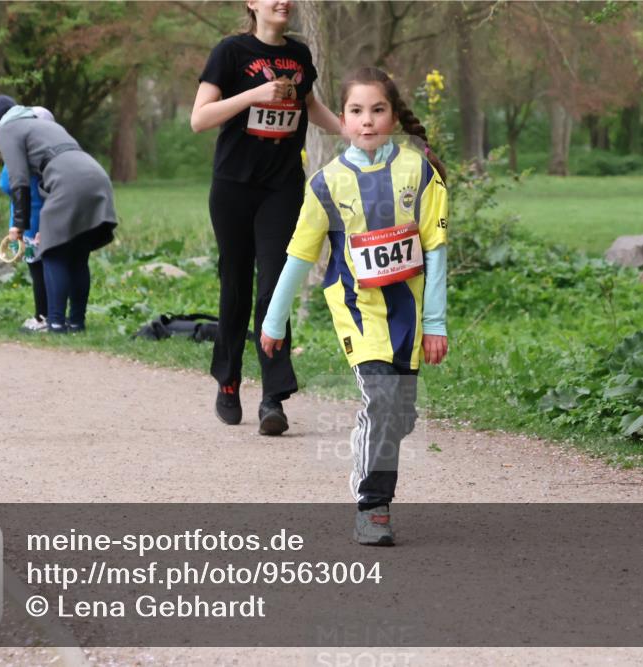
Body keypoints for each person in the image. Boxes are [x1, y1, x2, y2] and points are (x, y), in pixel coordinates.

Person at [260, 67, 450, 546]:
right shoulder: (326, 183)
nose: (367, 121)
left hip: (407, 315)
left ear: (392, 116)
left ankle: (374, 435)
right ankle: (373, 505)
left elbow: (436, 252)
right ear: (341, 120)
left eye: (378, 110)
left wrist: (435, 323)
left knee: (398, 415)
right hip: (358, 313)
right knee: (383, 399)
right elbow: (300, 256)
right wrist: (274, 320)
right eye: (356, 111)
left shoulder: (419, 171)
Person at [191, 0, 341, 435]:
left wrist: (356, 129)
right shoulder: (231, 51)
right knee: (235, 282)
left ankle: (273, 398)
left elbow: (313, 108)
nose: (284, 2)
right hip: (233, 186)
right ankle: (229, 380)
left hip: (282, 186)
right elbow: (199, 119)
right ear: (252, 4)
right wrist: (253, 94)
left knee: (276, 283)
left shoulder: (299, 54)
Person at [0, 95, 117, 334]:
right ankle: (76, 323)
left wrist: (18, 226)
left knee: (51, 250)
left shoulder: (6, 127)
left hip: (68, 182)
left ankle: (54, 323)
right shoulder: (44, 123)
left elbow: (18, 180)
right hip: (96, 175)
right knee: (78, 254)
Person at [0, 106, 54, 333]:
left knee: (36, 269)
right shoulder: (49, 154)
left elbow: (5, 183)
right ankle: (57, 315)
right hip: (49, 216)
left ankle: (42, 317)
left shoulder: (21, 154)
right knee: (52, 267)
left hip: (28, 224)